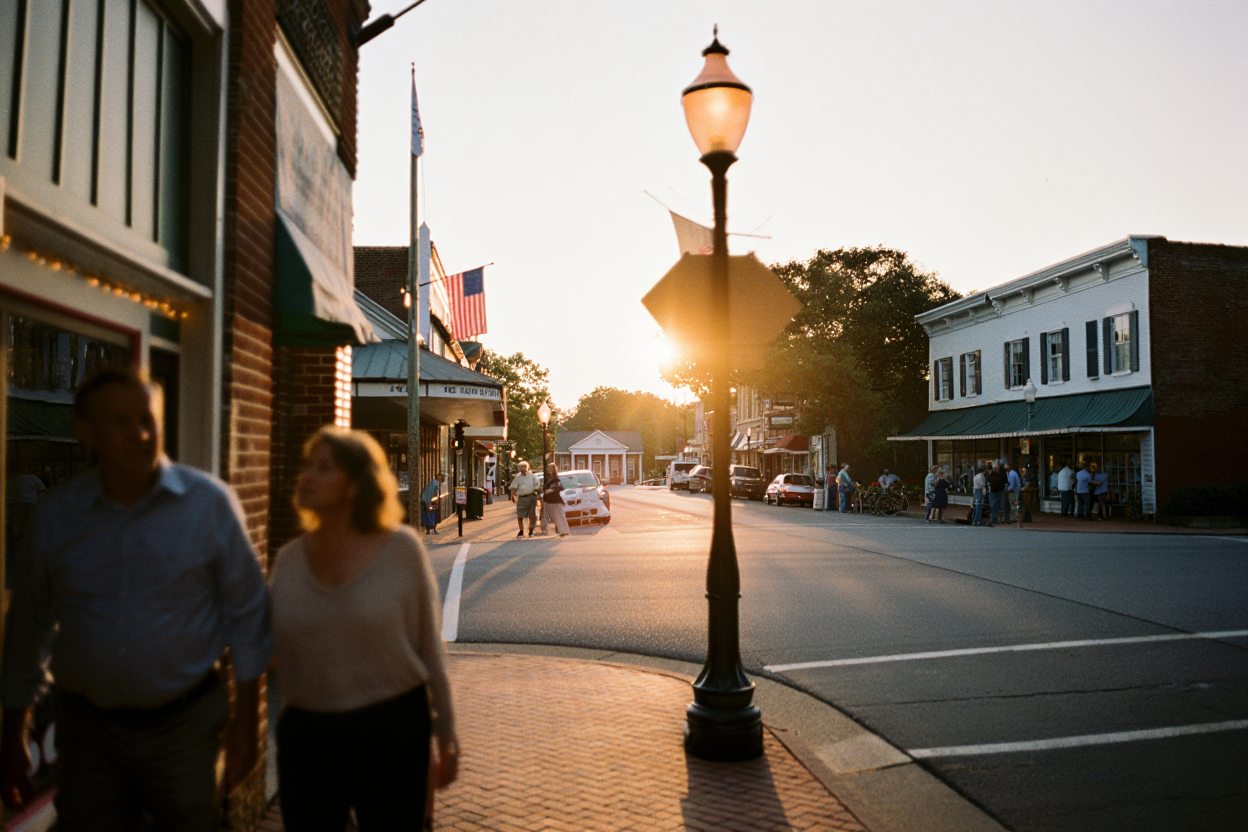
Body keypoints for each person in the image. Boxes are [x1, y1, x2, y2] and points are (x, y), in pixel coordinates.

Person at [0, 369, 271, 828]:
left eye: (148, 420)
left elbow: (248, 618)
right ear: (86, 432)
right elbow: (29, 631)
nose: (140, 433)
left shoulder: (208, 506)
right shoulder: (56, 519)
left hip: (184, 730)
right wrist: (11, 736)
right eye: (121, 421)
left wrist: (247, 723)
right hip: (89, 733)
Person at [271, 427, 458, 829]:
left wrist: (445, 730)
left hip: (390, 730)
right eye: (308, 466)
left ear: (356, 485)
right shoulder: (287, 560)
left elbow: (430, 648)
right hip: (308, 734)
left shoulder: (402, 550)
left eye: (324, 468)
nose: (306, 477)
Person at [510, 461, 539, 537]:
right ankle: (521, 530)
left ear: (527, 468)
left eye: (524, 468)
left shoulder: (532, 476)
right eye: (521, 469)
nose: (523, 471)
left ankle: (531, 530)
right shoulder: (518, 477)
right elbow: (513, 487)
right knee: (520, 515)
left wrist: (535, 490)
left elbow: (537, 483)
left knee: (531, 515)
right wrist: (513, 496)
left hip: (531, 497)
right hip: (522, 498)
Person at [541, 467, 571, 537]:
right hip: (549, 501)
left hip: (555, 500)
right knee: (554, 517)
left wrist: (549, 490)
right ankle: (560, 530)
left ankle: (564, 531)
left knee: (559, 516)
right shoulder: (547, 479)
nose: (550, 471)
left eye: (551, 470)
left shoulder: (556, 479)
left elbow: (558, 487)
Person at [987, 462, 1007, 526]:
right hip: (996, 491)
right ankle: (996, 519)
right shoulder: (995, 475)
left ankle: (1001, 519)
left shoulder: (1001, 474)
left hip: (998, 491)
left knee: (1000, 506)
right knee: (995, 506)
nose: (996, 469)